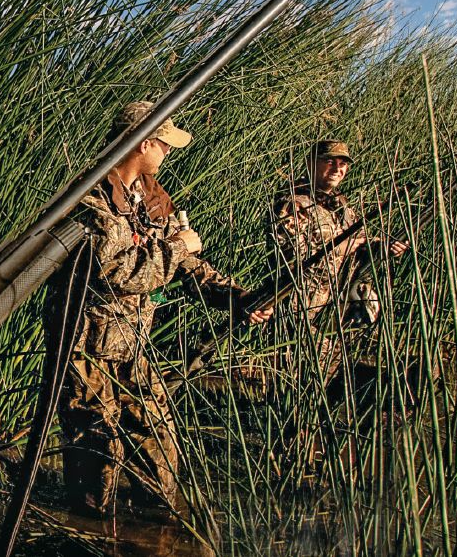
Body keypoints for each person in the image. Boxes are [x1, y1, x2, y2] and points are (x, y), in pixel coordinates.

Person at [56, 101, 268, 516]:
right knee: (98, 445)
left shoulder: (152, 197)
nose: (168, 153)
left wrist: (237, 297)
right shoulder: (91, 194)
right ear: (144, 143)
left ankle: (158, 526)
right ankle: (89, 532)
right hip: (84, 347)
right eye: (164, 145)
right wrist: (178, 246)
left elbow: (187, 267)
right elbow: (117, 271)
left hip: (134, 345)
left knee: (156, 437)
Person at [268, 139, 407, 380]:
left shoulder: (339, 204)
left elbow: (360, 240)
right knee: (313, 367)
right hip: (299, 301)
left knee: (335, 356)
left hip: (333, 297)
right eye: (329, 161)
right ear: (310, 163)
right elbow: (295, 256)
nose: (337, 168)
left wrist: (382, 246)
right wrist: (348, 245)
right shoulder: (292, 202)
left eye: (342, 163)